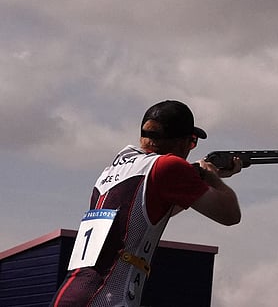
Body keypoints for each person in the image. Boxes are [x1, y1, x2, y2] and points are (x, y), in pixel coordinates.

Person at [51, 100, 242, 307]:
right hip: (106, 298)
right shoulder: (167, 166)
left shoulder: (114, 169)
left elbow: (154, 210)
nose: (191, 148)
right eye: (192, 141)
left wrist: (198, 180)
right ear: (181, 142)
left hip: (71, 293)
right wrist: (214, 178)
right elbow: (230, 215)